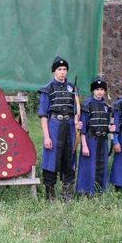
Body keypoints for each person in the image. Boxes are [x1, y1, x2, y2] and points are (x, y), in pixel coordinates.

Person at [38, 55, 80, 202]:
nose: (62, 72)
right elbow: (43, 115)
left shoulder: (72, 89)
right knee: (51, 160)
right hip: (54, 126)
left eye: (64, 69)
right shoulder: (47, 89)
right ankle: (50, 197)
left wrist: (77, 122)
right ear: (54, 71)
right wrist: (47, 136)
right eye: (59, 69)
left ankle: (67, 196)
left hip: (69, 127)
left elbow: (76, 111)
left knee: (69, 159)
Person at [76, 76, 115, 196]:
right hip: (90, 139)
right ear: (93, 90)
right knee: (89, 166)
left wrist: (110, 128)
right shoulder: (87, 104)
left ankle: (100, 191)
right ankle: (86, 191)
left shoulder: (106, 106)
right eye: (97, 89)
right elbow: (83, 127)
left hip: (103, 140)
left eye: (102, 89)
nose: (100, 92)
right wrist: (85, 145)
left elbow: (106, 123)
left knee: (101, 166)